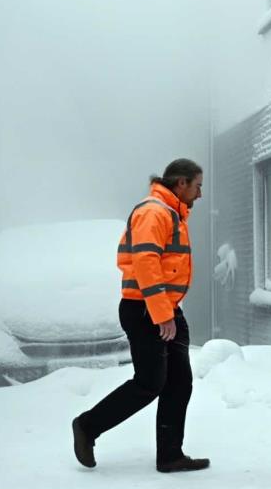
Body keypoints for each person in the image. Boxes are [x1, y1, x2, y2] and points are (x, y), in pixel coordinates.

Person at [72, 159, 209, 473]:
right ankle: (87, 426)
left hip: (164, 309)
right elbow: (146, 263)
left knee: (179, 382)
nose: (200, 194)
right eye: (197, 185)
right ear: (181, 183)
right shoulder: (154, 212)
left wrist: (169, 312)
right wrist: (162, 315)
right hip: (145, 310)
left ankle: (170, 455)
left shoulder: (170, 212)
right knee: (150, 382)